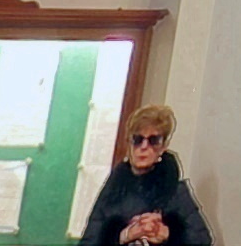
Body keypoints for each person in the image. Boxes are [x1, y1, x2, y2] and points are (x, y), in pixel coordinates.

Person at [80, 103, 211, 246]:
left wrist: (166, 233)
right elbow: (88, 241)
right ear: (129, 144)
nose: (144, 147)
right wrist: (125, 235)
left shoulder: (176, 191)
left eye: (153, 141)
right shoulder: (113, 190)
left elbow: (203, 240)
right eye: (138, 140)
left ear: (162, 148)